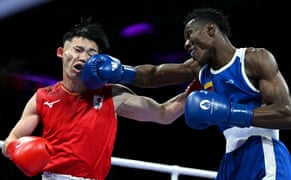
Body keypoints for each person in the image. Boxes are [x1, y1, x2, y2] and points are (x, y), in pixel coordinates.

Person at [86, 7, 291, 180]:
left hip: (263, 150)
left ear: (210, 29)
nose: (186, 44)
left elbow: (287, 114)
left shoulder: (254, 59)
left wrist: (230, 113)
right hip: (231, 160)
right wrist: (121, 72)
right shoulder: (199, 69)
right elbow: (155, 75)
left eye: (190, 35)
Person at [1, 17, 190, 180]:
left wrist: (195, 89)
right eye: (77, 49)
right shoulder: (42, 97)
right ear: (61, 53)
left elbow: (164, 115)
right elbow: (12, 139)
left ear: (97, 60)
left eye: (91, 54)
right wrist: (16, 150)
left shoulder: (113, 95)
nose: (82, 57)